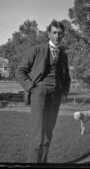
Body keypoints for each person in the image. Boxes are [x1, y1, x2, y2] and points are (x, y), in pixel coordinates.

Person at [15, 20, 71, 163]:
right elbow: (20, 71)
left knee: (48, 135)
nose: (58, 36)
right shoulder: (37, 50)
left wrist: (64, 93)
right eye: (54, 32)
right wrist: (32, 89)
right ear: (48, 34)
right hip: (39, 95)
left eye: (60, 33)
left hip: (56, 97)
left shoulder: (63, 55)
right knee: (37, 137)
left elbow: (67, 78)